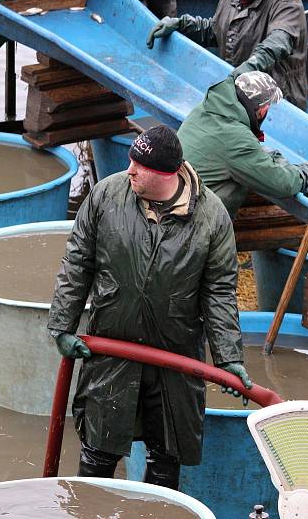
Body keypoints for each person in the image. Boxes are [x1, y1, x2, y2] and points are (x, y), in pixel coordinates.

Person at [47, 125, 252, 488]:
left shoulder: (212, 217)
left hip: (175, 356)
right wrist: (62, 326)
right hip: (112, 349)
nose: (130, 170)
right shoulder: (107, 195)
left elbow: (220, 291)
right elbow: (78, 261)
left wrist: (228, 357)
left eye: (139, 166)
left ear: (165, 173)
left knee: (165, 461)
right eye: (130, 160)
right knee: (97, 456)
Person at [177, 69, 308, 219]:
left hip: (174, 204)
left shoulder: (206, 109)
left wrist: (272, 156)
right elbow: (282, 183)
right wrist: (307, 174)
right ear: (263, 110)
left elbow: (240, 152)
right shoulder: (237, 139)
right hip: (194, 223)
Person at [146, 0, 308, 110]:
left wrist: (249, 68)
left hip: (276, 102)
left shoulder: (286, 2)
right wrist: (181, 24)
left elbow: (278, 43)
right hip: (236, 98)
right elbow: (216, 31)